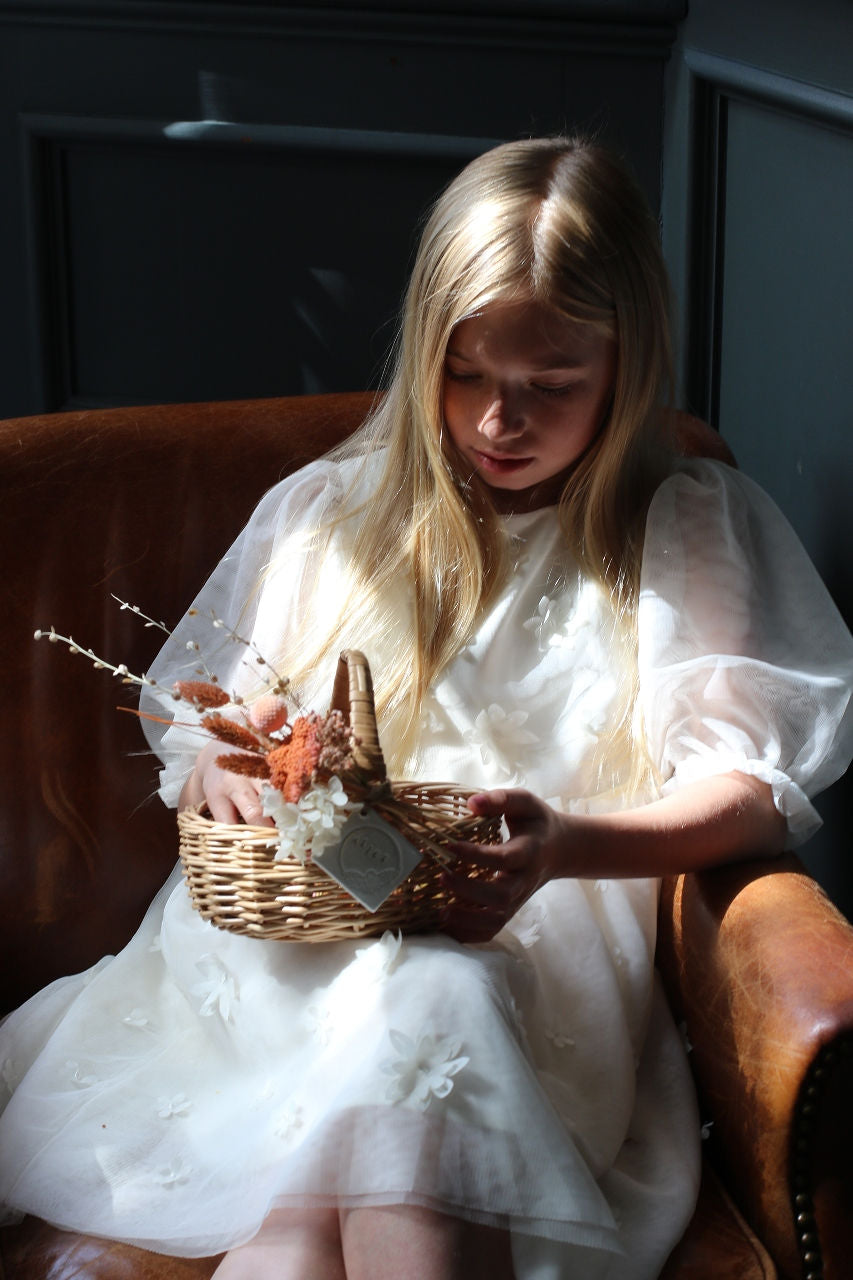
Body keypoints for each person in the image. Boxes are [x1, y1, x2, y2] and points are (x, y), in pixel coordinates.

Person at [2, 136, 853, 1280]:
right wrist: (222, 765)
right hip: (302, 945)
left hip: (529, 946)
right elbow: (220, 721)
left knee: (429, 1014)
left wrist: (568, 842)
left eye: (552, 384)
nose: (501, 419)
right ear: (423, 352)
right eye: (467, 374)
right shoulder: (332, 512)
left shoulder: (685, 524)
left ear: (626, 363)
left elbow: (750, 789)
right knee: (321, 1194)